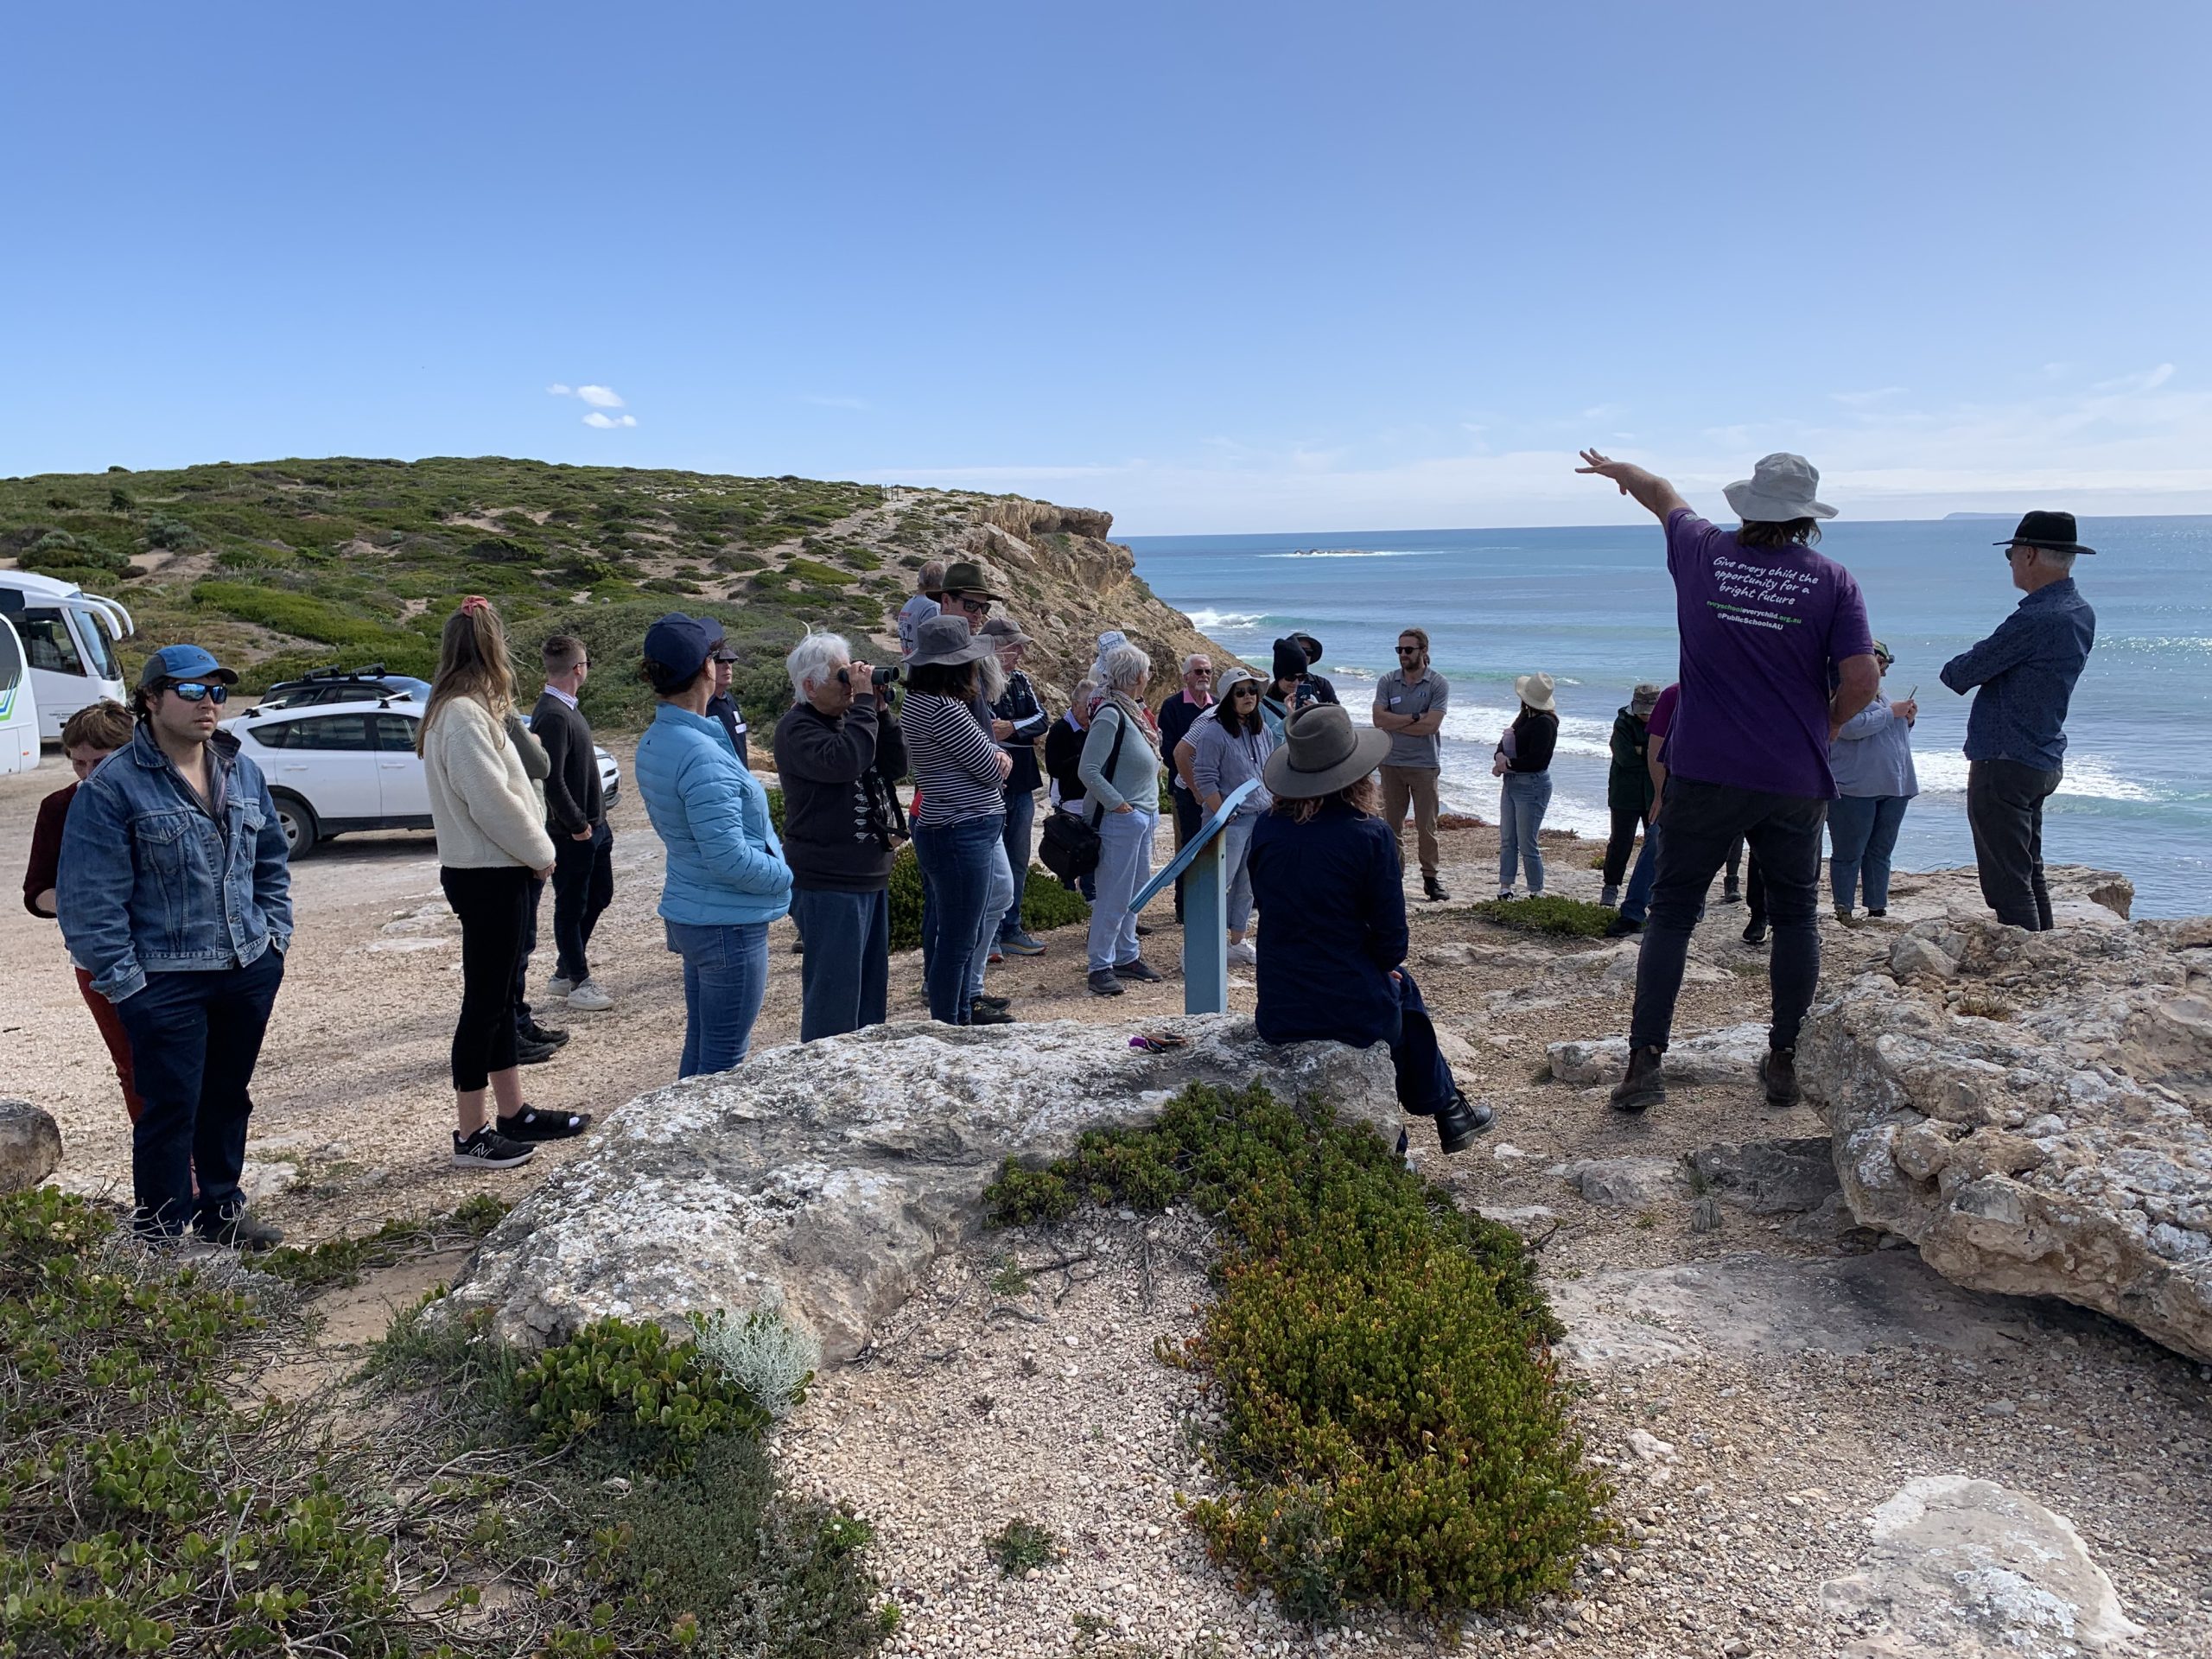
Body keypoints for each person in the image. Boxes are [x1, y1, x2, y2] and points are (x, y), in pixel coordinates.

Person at [1576, 449, 1878, 1114]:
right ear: (1806, 518)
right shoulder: (1833, 581)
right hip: (1794, 777)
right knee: (1795, 915)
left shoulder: (1703, 550)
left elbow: (1661, 492)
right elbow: (1862, 679)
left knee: (1673, 913)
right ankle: (1785, 1061)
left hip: (1705, 769)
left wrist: (1620, 472)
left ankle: (1644, 1064)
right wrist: (1827, 724)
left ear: (1747, 505)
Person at [59, 645, 293, 1246]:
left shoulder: (241, 770)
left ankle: (222, 1214)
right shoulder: (111, 787)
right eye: (191, 690)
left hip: (245, 965)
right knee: (169, 1109)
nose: (208, 703)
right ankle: (160, 1234)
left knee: (227, 1099)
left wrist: (274, 941)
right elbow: (89, 901)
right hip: (163, 978)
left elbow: (270, 863)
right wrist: (129, 986)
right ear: (151, 699)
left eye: (217, 690)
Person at [1248, 704, 1490, 1153]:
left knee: (1398, 989)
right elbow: (1392, 944)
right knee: (1401, 990)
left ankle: (1444, 1114)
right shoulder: (1370, 835)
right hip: (1347, 1009)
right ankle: (1445, 1110)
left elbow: (1270, 906)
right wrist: (1375, 964)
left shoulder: (1265, 828)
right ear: (1356, 775)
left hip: (1281, 1005)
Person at [417, 601, 587, 1167]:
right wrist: (542, 852)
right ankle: (471, 1134)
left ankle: (513, 1113)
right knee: (485, 1006)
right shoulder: (463, 715)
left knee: (498, 1001)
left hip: (491, 872)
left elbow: (521, 777)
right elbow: (492, 801)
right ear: (493, 646)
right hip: (489, 875)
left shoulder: (465, 709)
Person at [634, 613, 792, 1074]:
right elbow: (728, 857)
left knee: (703, 1044)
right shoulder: (700, 753)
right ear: (706, 668)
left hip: (697, 908)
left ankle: (680, 1122)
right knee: (725, 1058)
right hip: (728, 921)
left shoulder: (660, 738)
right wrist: (787, 873)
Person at [1941, 511, 2098, 932]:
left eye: (2011, 554)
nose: (2010, 562)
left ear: (2029, 555)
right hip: (2041, 753)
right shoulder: (2079, 610)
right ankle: (2045, 952)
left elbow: (1959, 674)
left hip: (2004, 758)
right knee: (2028, 869)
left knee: (2007, 883)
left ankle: (2027, 957)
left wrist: (1979, 657)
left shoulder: (2036, 618)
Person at [772, 629, 904, 1041]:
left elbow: (896, 766)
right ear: (810, 686)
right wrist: (863, 705)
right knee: (834, 1001)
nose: (851, 685)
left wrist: (880, 712)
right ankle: (822, 1071)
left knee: (868, 997)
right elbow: (846, 761)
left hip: (868, 875)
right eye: (842, 677)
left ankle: (865, 1070)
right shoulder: (796, 729)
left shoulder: (851, 720)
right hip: (828, 881)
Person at [25, 699, 143, 1125]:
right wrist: (77, 902)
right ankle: (164, 1157)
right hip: (98, 957)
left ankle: (206, 1154)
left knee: (196, 1060)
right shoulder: (59, 806)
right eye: (78, 763)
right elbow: (35, 892)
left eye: (100, 761)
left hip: (167, 948)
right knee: (132, 1064)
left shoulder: (156, 800)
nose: (89, 774)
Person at [903, 614, 1013, 1024]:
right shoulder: (945, 709)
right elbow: (990, 768)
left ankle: (957, 1017)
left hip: (944, 825)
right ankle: (952, 1024)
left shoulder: (917, 703)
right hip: (962, 829)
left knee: (955, 935)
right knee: (959, 941)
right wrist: (1000, 758)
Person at [534, 634, 615, 1013]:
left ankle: (565, 970)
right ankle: (578, 980)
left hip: (595, 827)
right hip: (574, 833)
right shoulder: (553, 714)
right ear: (579, 669)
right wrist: (577, 824)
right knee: (571, 905)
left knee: (599, 895)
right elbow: (551, 780)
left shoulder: (565, 708)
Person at [1078, 641, 1164, 997]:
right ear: (1137, 676)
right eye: (1147, 671)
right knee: (1114, 895)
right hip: (1121, 820)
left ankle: (1127, 955)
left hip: (1141, 816)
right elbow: (1088, 770)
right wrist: (1119, 806)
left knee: (1135, 891)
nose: (1149, 677)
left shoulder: (1133, 711)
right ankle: (1099, 965)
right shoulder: (1111, 713)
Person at [1174, 666, 1274, 965]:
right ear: (1229, 697)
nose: (1248, 697)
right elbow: (1205, 778)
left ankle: (1237, 942)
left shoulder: (1262, 730)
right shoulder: (1213, 732)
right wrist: (1222, 814)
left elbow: (1267, 772)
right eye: (1241, 692)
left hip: (1259, 817)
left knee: (1248, 885)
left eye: (1252, 690)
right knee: (1216, 885)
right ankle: (1195, 948)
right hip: (1229, 821)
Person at [1827, 641, 1918, 922]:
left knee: (1881, 851)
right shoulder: (1840, 692)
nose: (1884, 671)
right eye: (1880, 664)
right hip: (1855, 787)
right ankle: (1844, 907)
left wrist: (1907, 720)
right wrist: (1892, 713)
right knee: (1849, 851)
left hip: (1894, 785)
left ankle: (1877, 907)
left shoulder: (1881, 694)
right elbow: (1849, 728)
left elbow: (1886, 734)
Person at [984, 615, 1053, 958]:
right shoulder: (977, 681)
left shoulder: (1021, 680)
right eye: (1015, 648)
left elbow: (1042, 719)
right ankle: (990, 934)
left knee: (1017, 860)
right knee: (991, 862)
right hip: (991, 785)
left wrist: (1011, 727)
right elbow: (983, 725)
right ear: (995, 648)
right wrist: (1016, 731)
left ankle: (1012, 927)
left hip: (1022, 783)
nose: (1020, 654)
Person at [1372, 627, 1452, 902]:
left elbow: (1431, 726)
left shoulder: (1437, 683)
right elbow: (1379, 720)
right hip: (1391, 762)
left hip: (1424, 765)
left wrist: (1398, 721)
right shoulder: (1388, 681)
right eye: (1399, 650)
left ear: (1423, 651)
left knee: (1426, 826)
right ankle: (1395, 877)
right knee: (1390, 826)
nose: (1403, 654)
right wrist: (1416, 717)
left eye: (1408, 650)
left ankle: (1431, 878)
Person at [1156, 652, 1215, 924]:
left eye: (1208, 671)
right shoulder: (1173, 706)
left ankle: (1209, 902)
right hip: (1184, 790)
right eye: (1199, 671)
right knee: (1187, 848)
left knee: (1213, 848)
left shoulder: (1218, 706)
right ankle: (1184, 907)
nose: (1204, 676)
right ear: (1186, 677)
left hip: (1213, 790)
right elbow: (1169, 753)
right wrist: (1194, 783)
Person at [1493, 673, 1559, 900]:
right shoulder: (1525, 715)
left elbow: (1537, 760)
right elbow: (1506, 741)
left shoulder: (1546, 723)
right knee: (1508, 839)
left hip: (1532, 785)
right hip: (1512, 782)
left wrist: (1508, 764)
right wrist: (1499, 756)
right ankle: (1505, 887)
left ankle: (1536, 890)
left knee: (1527, 842)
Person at [1602, 683, 1661, 908]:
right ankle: (1611, 886)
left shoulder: (1665, 722)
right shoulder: (1623, 722)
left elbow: (1667, 755)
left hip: (1653, 793)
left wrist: (1642, 750)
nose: (1645, 716)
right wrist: (1651, 755)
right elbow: (1625, 758)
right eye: (1642, 711)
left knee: (1655, 843)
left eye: (1649, 711)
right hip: (1624, 794)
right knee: (1620, 841)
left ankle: (1652, 890)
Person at [1044, 680, 1099, 900]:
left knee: (1091, 848)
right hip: (1068, 801)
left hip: (1090, 798)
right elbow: (1053, 768)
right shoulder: (1060, 729)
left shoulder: (1094, 727)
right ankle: (1067, 897)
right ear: (1075, 704)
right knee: (1067, 849)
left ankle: (1089, 895)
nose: (1091, 711)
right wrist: (1082, 760)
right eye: (1088, 706)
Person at [701, 625, 750, 769]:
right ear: (707, 666)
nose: (727, 666)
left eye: (730, 660)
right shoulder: (701, 706)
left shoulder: (730, 700)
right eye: (720, 661)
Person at [1259, 637, 1318, 739]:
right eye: (1290, 677)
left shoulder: (1310, 700)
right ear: (1278, 677)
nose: (1296, 683)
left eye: (1301, 677)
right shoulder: (1261, 706)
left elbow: (1320, 737)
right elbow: (1265, 743)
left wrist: (1316, 716)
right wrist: (1289, 719)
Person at [897, 560, 948, 658]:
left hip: (910, 665)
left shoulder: (909, 604)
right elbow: (936, 644)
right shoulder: (932, 607)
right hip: (927, 666)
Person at [1288, 633, 1339, 705]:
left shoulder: (1321, 684)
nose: (1303, 655)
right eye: (1298, 651)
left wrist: (1316, 709)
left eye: (1308, 652)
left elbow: (1337, 711)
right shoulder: (1277, 686)